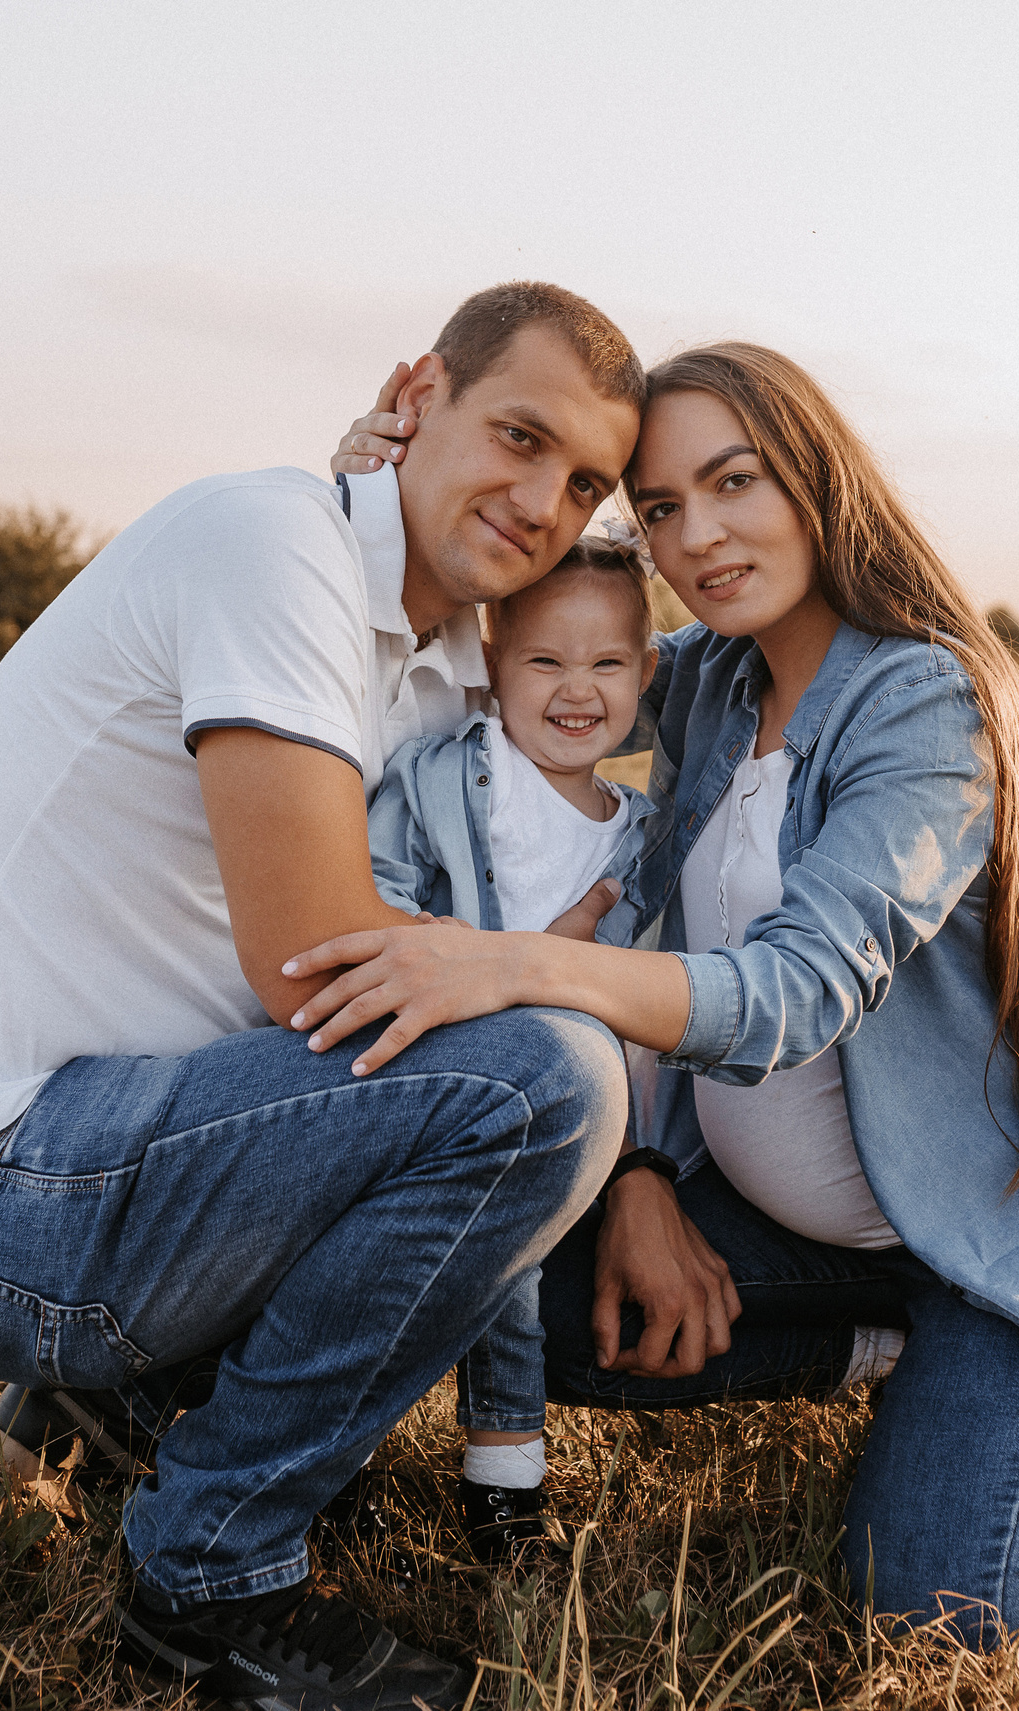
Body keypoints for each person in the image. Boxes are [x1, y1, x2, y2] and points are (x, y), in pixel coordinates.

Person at [309, 342, 1019, 1645]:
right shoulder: (713, 678)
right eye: (657, 508)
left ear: (816, 478)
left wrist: (514, 961)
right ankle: (884, 1353)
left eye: (734, 481)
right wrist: (391, 500)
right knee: (534, 1285)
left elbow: (791, 995)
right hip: (827, 1239)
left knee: (945, 1622)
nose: (696, 534)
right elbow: (530, 654)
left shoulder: (925, 698)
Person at [0, 281, 642, 1707]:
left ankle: (122, 1399)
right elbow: (315, 960)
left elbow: (647, 665)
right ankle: (210, 1573)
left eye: (583, 480)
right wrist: (544, 972)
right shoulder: (271, 549)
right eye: (517, 436)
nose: (541, 499)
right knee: (544, 1080)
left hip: (105, 1146)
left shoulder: (450, 653)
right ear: (419, 394)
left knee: (490, 1053)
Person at [362, 535, 663, 1560]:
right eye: (544, 661)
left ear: (647, 672)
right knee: (439, 1265)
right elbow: (377, 893)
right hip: (440, 1070)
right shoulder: (446, 775)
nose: (576, 690)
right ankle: (431, 1477)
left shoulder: (640, 836)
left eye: (607, 664)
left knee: (515, 1271)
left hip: (578, 1103)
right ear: (493, 659)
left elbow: (639, 993)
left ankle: (497, 1486)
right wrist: (509, 960)